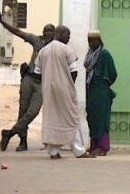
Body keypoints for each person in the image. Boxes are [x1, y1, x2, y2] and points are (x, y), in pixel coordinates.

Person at [0, 11, 55, 151]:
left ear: (55, 33)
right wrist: (2, 22)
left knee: (33, 112)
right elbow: (18, 32)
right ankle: (23, 142)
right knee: (22, 110)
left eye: (51, 30)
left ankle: (9, 133)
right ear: (43, 32)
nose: (48, 33)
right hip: (29, 78)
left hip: (42, 83)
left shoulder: (57, 46)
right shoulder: (36, 40)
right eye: (46, 30)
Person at [34, 25, 95, 159]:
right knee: (72, 119)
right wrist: (67, 84)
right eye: (68, 35)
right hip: (65, 90)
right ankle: (79, 151)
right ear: (60, 34)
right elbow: (74, 71)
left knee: (52, 118)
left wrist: (47, 82)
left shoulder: (43, 51)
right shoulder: (67, 50)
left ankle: (53, 152)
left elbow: (37, 73)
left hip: (48, 91)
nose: (69, 38)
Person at [84, 30, 117, 156]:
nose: (91, 43)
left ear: (99, 40)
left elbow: (113, 73)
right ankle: (94, 146)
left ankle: (103, 147)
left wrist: (104, 82)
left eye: (93, 40)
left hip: (101, 91)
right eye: (89, 40)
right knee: (92, 117)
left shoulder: (104, 54)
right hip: (90, 90)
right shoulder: (89, 54)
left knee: (101, 119)